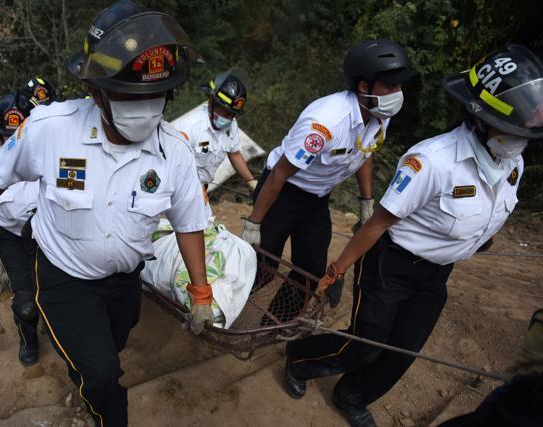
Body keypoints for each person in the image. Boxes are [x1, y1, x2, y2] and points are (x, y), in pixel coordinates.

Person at [0, 1, 212, 425]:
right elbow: (1, 172)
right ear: (95, 91)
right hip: (65, 279)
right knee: (103, 375)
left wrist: (201, 292)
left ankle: (93, 373)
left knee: (113, 345)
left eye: (156, 97)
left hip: (125, 283)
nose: (146, 108)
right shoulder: (50, 129)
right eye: (131, 96)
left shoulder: (176, 152)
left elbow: (189, 222)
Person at [284, 44, 543, 427]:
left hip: (436, 274)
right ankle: (300, 359)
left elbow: (488, 215)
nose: (519, 141)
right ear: (480, 120)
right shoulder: (432, 162)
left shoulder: (511, 164)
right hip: (391, 266)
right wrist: (335, 271)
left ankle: (351, 395)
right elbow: (377, 224)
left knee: (402, 351)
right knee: (364, 345)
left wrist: (474, 241)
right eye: (511, 131)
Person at [241, 39, 416, 324]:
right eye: (391, 86)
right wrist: (254, 223)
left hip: (316, 197)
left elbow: (366, 153)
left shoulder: (380, 113)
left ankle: (275, 323)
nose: (398, 93)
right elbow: (281, 173)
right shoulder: (324, 123)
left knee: (310, 269)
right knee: (263, 261)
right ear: (364, 87)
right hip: (282, 191)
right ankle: (222, 301)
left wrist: (366, 202)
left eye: (399, 86)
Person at [0, 89, 41, 365]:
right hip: (11, 236)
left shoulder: (51, 155)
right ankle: (29, 339)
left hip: (47, 235)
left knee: (55, 293)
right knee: (26, 301)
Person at [173, 70, 256, 217]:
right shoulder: (189, 127)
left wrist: (251, 181)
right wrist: (190, 190)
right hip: (180, 193)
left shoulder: (231, 126)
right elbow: (171, 166)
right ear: (211, 102)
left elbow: (234, 153)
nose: (228, 118)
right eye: (225, 112)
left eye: (232, 114)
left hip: (200, 192)